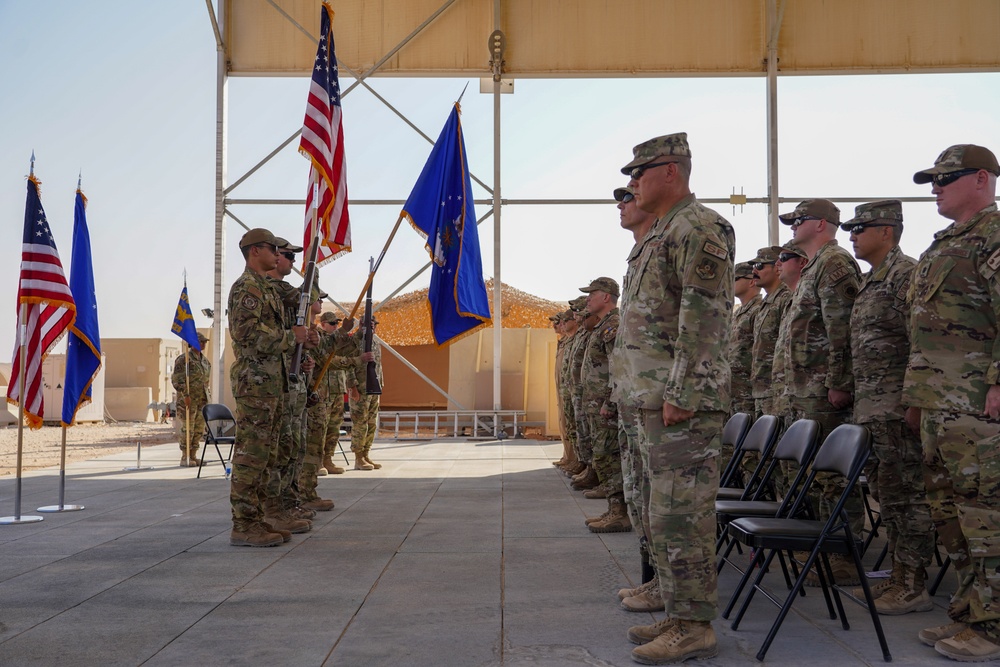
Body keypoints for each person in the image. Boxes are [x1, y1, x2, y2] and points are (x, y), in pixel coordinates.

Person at [615, 132, 734, 663]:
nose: (633, 182)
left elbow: (705, 314)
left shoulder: (699, 227)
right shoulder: (661, 232)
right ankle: (675, 605)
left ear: (672, 172)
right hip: (652, 397)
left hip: (680, 401)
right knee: (659, 511)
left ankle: (694, 626)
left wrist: (684, 391)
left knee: (681, 514)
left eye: (641, 172)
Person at [904, 144, 1000, 661]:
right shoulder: (946, 243)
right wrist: (915, 398)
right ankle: (968, 611)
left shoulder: (994, 235)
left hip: (976, 407)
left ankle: (995, 625)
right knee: (952, 517)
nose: (935, 188)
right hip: (940, 405)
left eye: (946, 178)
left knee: (987, 518)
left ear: (981, 179)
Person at [842, 200, 935, 615]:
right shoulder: (869, 281)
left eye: (861, 229)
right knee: (887, 495)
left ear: (887, 231)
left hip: (897, 407)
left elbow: (922, 341)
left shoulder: (905, 276)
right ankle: (897, 578)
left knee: (908, 496)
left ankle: (914, 585)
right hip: (872, 408)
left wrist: (915, 401)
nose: (853, 237)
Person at [779, 198, 864, 586]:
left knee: (832, 477)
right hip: (804, 390)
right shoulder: (814, 267)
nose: (793, 226)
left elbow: (842, 329)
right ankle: (821, 548)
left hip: (822, 389)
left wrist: (839, 381)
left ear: (822, 224)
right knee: (812, 473)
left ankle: (843, 555)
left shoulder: (834, 262)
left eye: (799, 220)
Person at [227, 228, 308, 547]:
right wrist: (292, 338)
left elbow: (301, 302)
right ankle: (244, 524)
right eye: (273, 248)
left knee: (270, 453)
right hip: (255, 380)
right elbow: (247, 335)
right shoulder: (246, 288)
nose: (278, 254)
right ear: (254, 251)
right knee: (252, 454)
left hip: (273, 381)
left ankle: (260, 517)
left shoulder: (268, 288)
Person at [610, 184, 661, 609]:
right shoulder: (641, 254)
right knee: (641, 495)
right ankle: (657, 579)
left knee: (667, 504)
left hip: (665, 399)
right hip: (638, 396)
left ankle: (684, 610)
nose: (623, 205)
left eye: (628, 196)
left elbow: (699, 324)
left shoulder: (682, 236)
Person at [263, 237, 315, 533]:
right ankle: (264, 514)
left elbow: (291, 334)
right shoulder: (258, 290)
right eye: (286, 256)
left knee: (288, 448)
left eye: (295, 258)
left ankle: (283, 505)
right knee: (266, 454)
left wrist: (304, 356)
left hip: (283, 382)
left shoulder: (278, 293)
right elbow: (252, 338)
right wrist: (293, 339)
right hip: (263, 384)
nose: (291, 262)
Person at [578, 277, 630, 534]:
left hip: (605, 406)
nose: (588, 298)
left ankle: (620, 514)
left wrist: (610, 402)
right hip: (595, 405)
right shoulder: (602, 326)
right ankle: (613, 509)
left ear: (606, 297)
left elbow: (618, 367)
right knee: (602, 456)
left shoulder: (613, 325)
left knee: (609, 457)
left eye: (592, 294)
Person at [750, 246, 792, 420]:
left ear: (776, 267)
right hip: (761, 391)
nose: (754, 270)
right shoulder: (765, 304)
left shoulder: (785, 298)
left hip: (777, 390)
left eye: (760, 265)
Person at [728, 262, 762, 419]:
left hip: (748, 389)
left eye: (735, 278)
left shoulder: (758, 310)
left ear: (751, 281)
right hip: (733, 389)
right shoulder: (737, 313)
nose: (731, 282)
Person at [171, 332, 210, 467]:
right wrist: (185, 395)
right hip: (188, 400)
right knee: (188, 429)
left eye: (205, 342)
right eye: (201, 341)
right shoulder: (184, 359)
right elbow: (177, 379)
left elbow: (206, 381)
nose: (204, 344)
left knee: (199, 429)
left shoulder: (205, 361)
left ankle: (193, 455)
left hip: (201, 400)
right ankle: (185, 456)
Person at [348, 316, 382, 470]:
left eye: (374, 325)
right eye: (369, 324)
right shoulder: (356, 341)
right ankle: (358, 457)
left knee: (371, 423)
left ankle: (366, 453)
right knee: (360, 424)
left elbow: (379, 365)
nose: (373, 327)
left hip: (373, 388)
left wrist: (381, 384)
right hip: (360, 389)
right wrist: (352, 386)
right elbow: (349, 365)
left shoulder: (375, 342)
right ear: (361, 325)